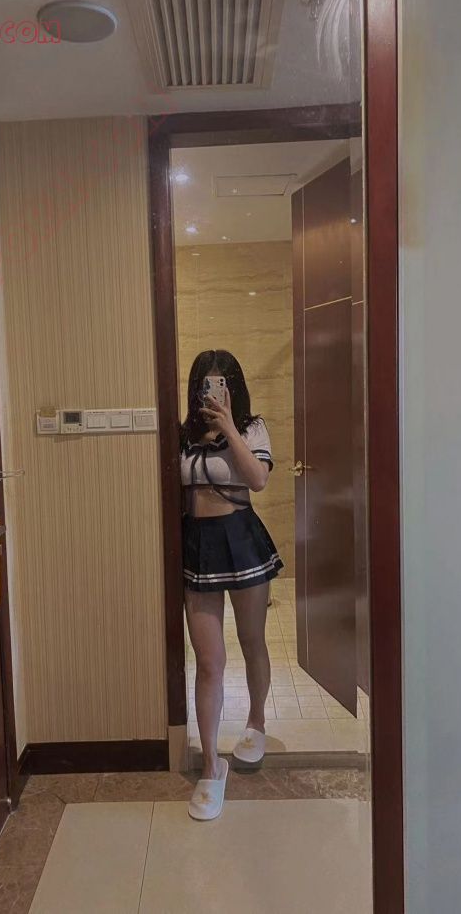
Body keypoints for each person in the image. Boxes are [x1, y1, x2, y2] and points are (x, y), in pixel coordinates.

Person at [180, 349, 284, 820]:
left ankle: (256, 721)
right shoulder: (182, 435)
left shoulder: (251, 428)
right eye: (205, 382)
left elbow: (258, 479)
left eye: (221, 382)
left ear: (234, 387)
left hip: (241, 539)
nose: (213, 390)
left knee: (251, 639)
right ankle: (211, 765)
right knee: (208, 662)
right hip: (198, 545)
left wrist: (228, 427)